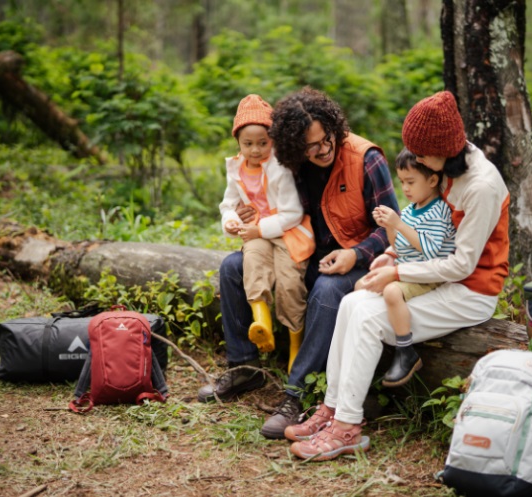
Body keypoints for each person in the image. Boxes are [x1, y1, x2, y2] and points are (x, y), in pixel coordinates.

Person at [284, 90, 510, 461]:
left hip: (470, 290)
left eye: (421, 155)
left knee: (370, 318)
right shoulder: (445, 165)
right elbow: (422, 230)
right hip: (431, 277)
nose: (416, 162)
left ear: (443, 150)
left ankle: (348, 428)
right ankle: (332, 408)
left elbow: (463, 266)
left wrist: (396, 271)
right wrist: (390, 255)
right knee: (352, 302)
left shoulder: (480, 187)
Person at [197, 87, 400, 441]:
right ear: (293, 145)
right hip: (304, 250)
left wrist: (356, 254)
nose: (321, 150)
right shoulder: (292, 163)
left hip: (357, 259)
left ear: (335, 129)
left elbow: (393, 227)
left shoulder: (366, 159)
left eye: (327, 140)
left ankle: (297, 394)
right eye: (310, 146)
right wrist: (248, 212)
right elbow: (276, 206)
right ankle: (244, 367)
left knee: (326, 289)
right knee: (233, 267)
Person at [218, 94, 314, 372]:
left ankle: (296, 345)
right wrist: (232, 220)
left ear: (273, 139)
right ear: (238, 142)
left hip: (287, 232)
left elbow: (293, 213)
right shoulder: (235, 168)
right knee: (253, 263)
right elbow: (227, 204)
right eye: (248, 144)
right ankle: (262, 322)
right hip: (257, 232)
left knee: (289, 283)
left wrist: (259, 228)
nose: (256, 150)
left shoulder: (279, 168)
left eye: (263, 143)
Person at [355, 147, 456, 387]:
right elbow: (399, 246)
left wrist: (398, 223)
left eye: (411, 181)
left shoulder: (439, 210)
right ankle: (371, 340)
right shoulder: (411, 210)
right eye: (402, 182)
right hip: (407, 269)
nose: (406, 189)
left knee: (391, 291)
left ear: (432, 180)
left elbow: (430, 249)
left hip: (429, 273)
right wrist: (390, 226)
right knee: (361, 283)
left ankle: (405, 350)